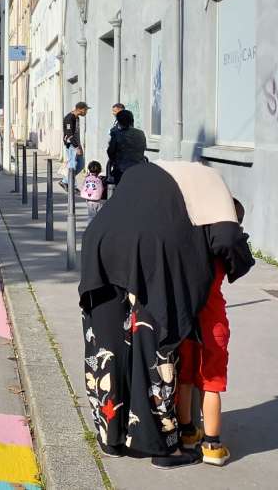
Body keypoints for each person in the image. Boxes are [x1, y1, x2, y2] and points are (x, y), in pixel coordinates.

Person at [79, 161, 253, 469]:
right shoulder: (215, 187)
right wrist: (240, 261)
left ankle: (112, 438)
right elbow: (226, 239)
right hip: (151, 261)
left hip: (102, 247)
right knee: (154, 350)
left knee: (108, 349)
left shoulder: (155, 177)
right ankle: (163, 446)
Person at [175, 199, 250, 467]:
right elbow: (239, 263)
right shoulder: (223, 248)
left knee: (184, 378)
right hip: (213, 322)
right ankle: (212, 445)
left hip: (187, 320)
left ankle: (186, 434)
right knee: (211, 383)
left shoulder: (191, 245)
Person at [106, 109, 147, 186]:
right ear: (132, 120)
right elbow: (143, 148)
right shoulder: (140, 133)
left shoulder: (116, 133)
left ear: (118, 121)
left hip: (122, 170)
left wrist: (114, 161)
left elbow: (111, 151)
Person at [61, 101, 89, 190]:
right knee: (73, 165)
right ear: (80, 109)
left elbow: (76, 133)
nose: (86, 112)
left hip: (76, 144)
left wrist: (79, 145)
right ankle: (72, 186)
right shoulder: (69, 118)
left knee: (81, 164)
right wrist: (76, 147)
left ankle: (65, 181)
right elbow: (69, 135)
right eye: (85, 110)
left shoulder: (77, 118)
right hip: (71, 145)